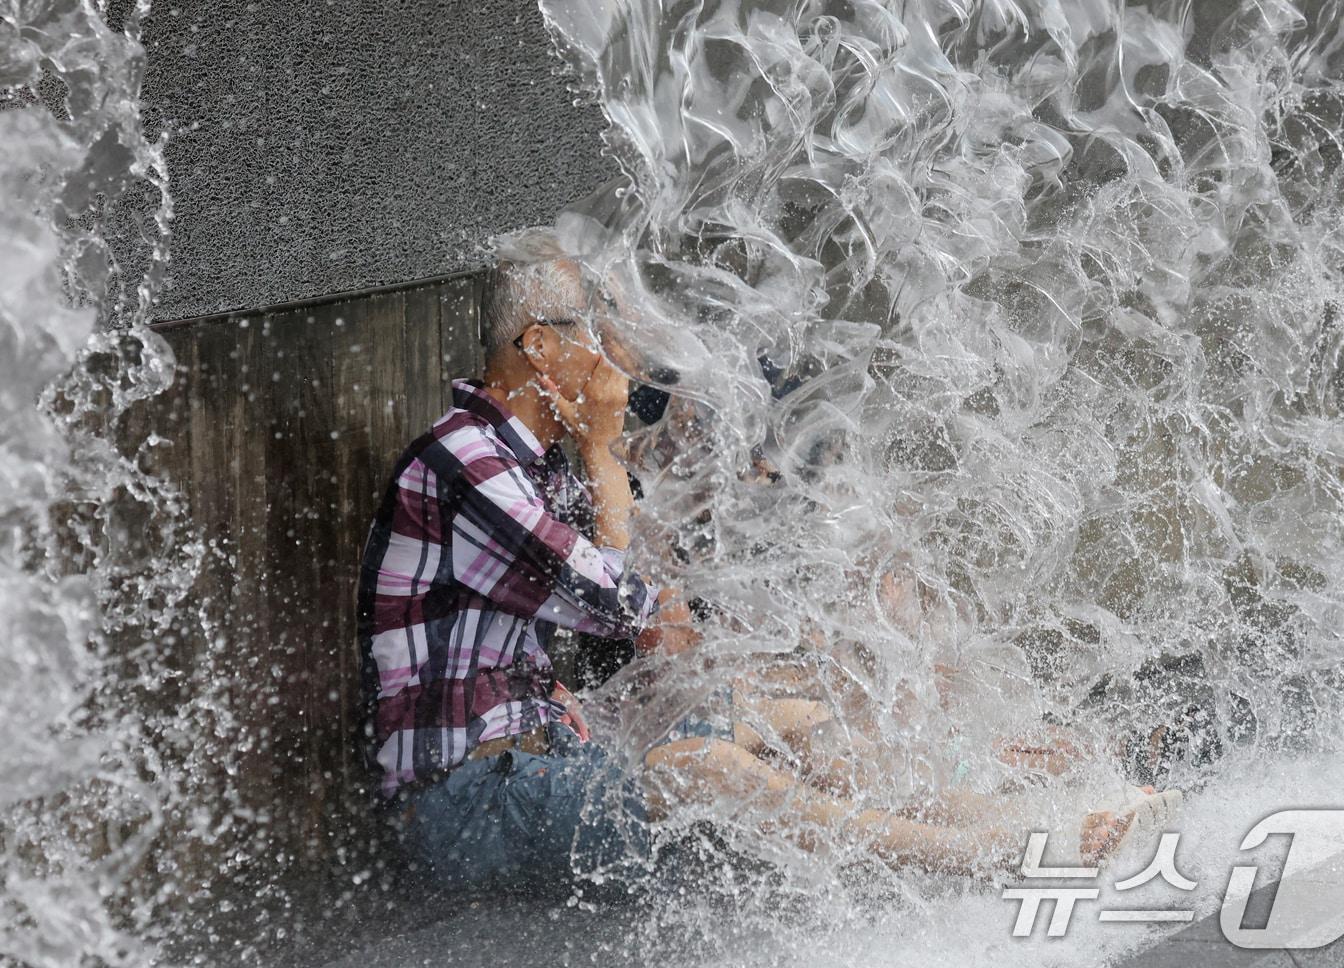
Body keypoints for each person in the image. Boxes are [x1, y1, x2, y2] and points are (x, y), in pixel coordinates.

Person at [356, 231, 1141, 891]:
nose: (620, 356)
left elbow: (648, 613)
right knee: (704, 767)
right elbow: (616, 603)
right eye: (597, 328)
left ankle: (1041, 821)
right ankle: (996, 859)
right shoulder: (466, 459)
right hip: (460, 805)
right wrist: (601, 454)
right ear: (540, 346)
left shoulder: (537, 462)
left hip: (547, 752)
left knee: (793, 715)